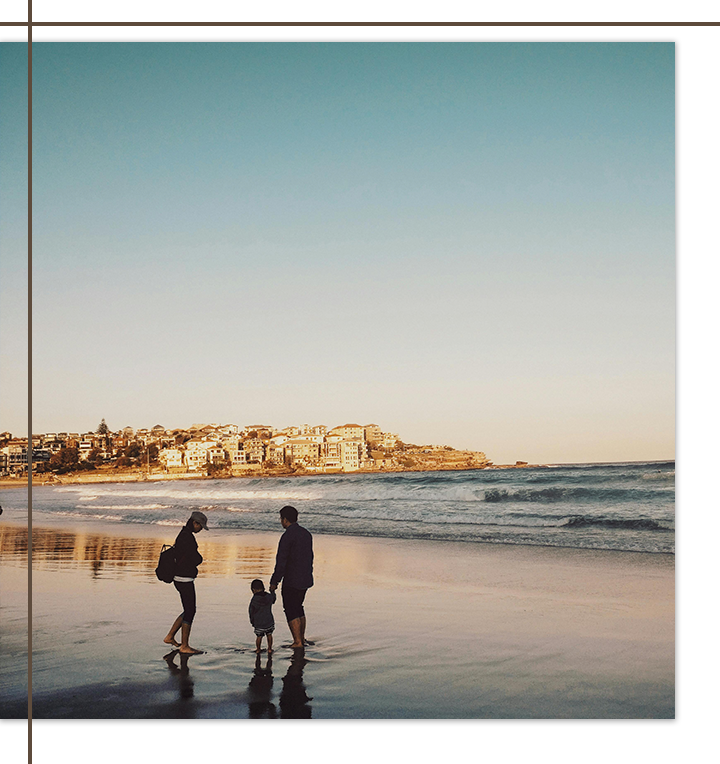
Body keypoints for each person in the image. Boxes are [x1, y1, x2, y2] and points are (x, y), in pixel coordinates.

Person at [269, 505, 313, 649]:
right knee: (299, 607)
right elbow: (310, 557)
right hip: (305, 577)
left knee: (290, 609)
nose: (281, 521)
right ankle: (302, 638)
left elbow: (281, 560)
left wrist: (274, 581)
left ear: (285, 519)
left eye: (281, 519)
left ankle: (297, 642)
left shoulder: (287, 536)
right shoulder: (306, 534)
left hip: (292, 579)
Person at [164, 510, 208, 654]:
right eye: (200, 526)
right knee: (190, 610)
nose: (201, 529)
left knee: (188, 609)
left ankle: (170, 636)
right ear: (194, 523)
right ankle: (184, 646)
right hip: (184, 578)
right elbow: (194, 558)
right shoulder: (187, 537)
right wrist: (199, 559)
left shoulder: (183, 534)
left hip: (179, 577)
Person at [248, 579, 276, 654]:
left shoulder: (254, 599)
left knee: (259, 636)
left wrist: (252, 621)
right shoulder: (268, 596)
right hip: (269, 621)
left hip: (259, 622)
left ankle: (258, 649)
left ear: (253, 590)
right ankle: (269, 649)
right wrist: (272, 591)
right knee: (269, 635)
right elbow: (273, 600)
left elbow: (251, 611)